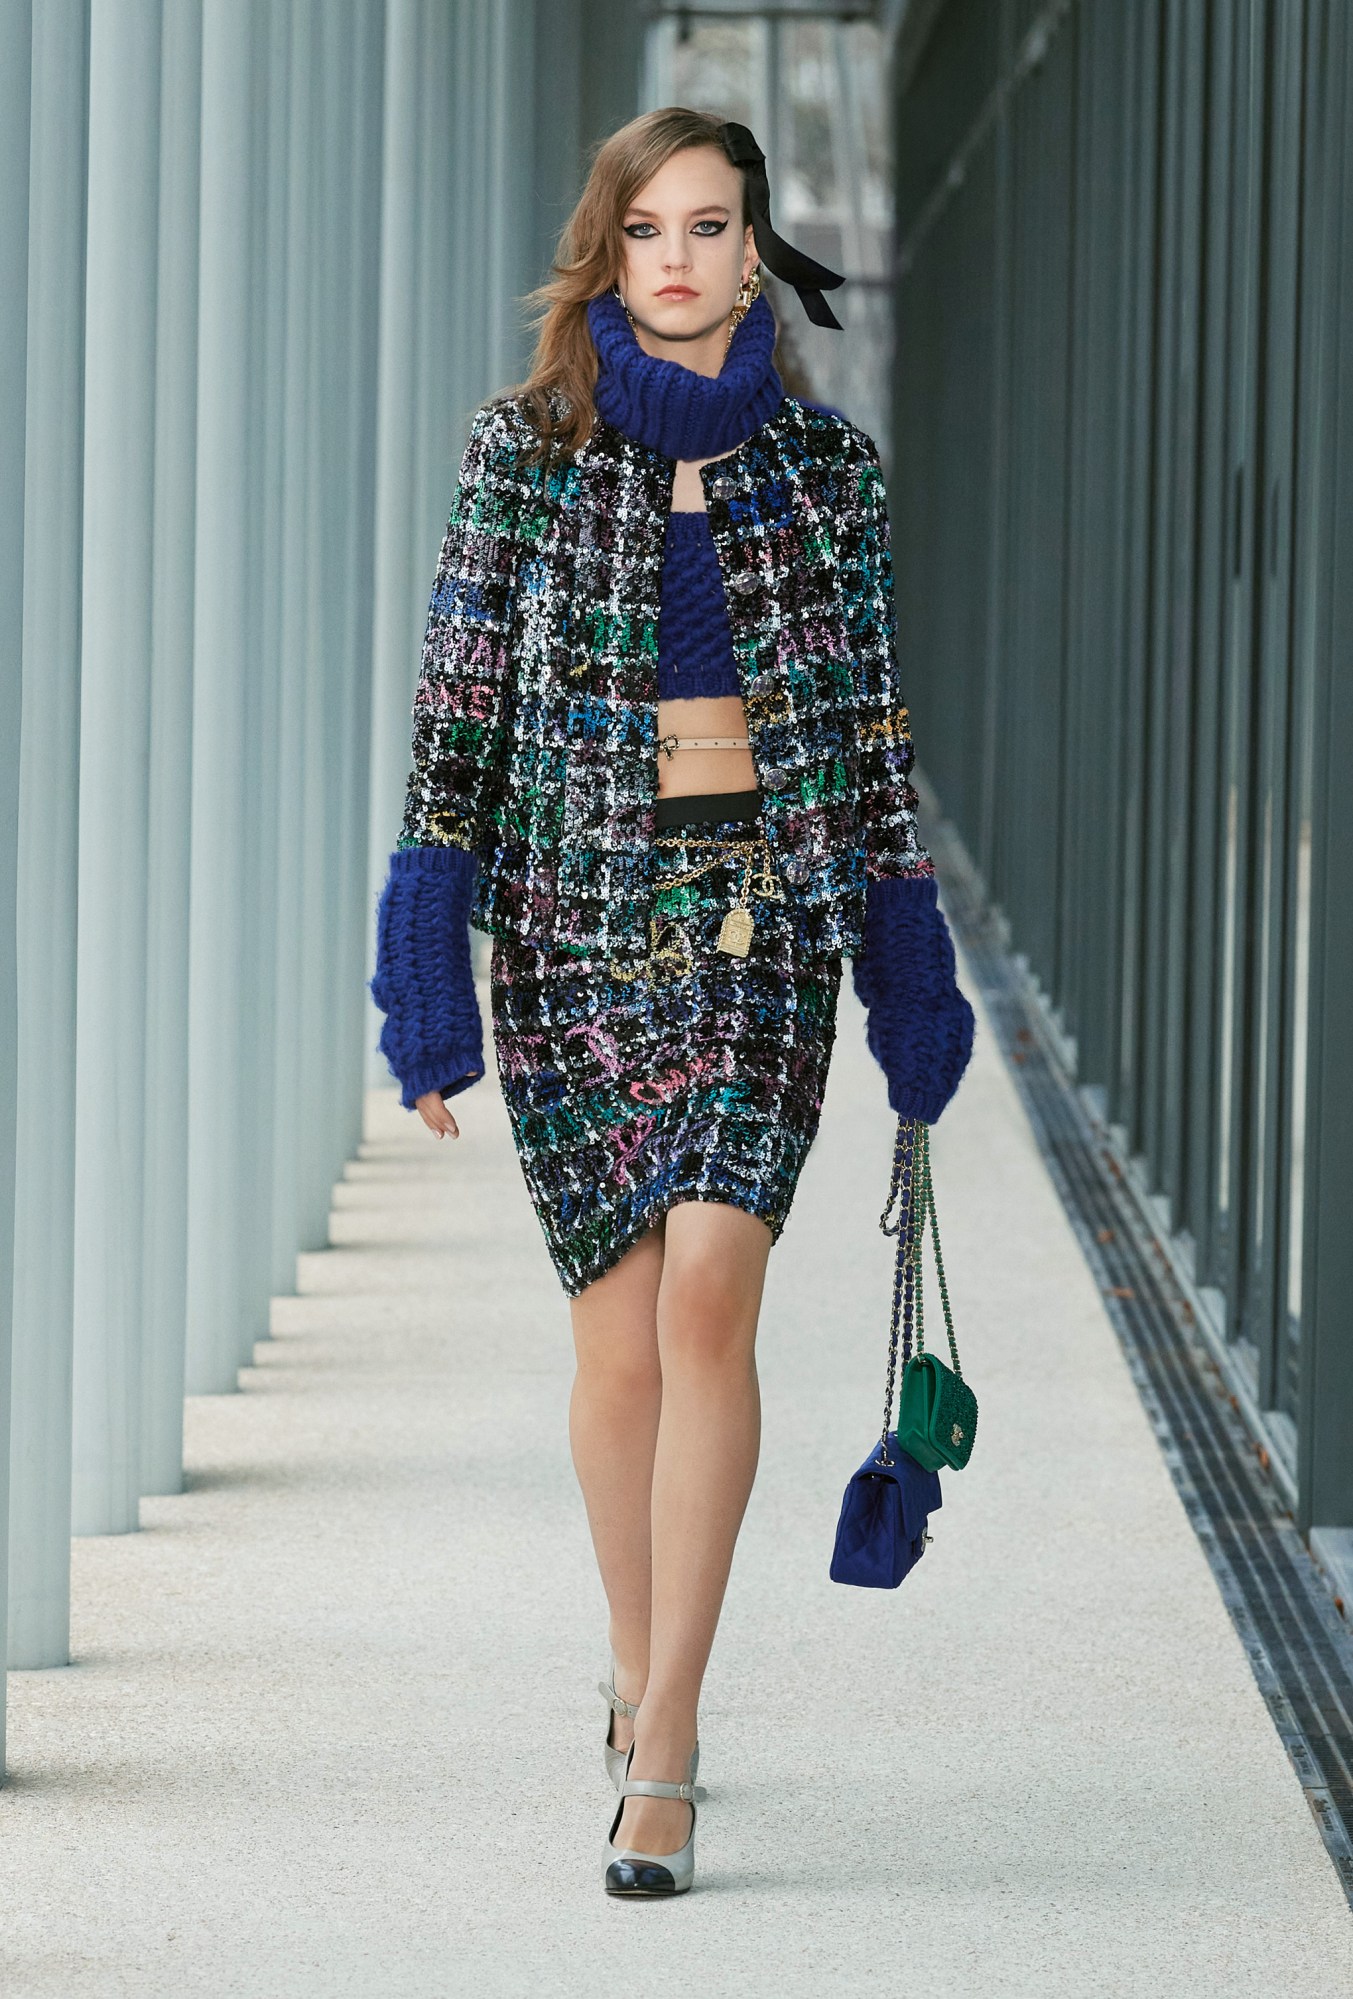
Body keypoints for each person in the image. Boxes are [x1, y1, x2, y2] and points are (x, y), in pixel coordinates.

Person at [370, 106, 975, 1897]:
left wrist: (907, 981)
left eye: (714, 227)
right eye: (651, 229)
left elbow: (873, 746)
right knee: (616, 1343)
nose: (683, 258)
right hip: (570, 934)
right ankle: (635, 1673)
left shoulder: (828, 475)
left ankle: (675, 1736)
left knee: (714, 1293)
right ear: (611, 250)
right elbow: (455, 725)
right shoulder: (524, 456)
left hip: (761, 930)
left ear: (751, 251)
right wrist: (427, 992)